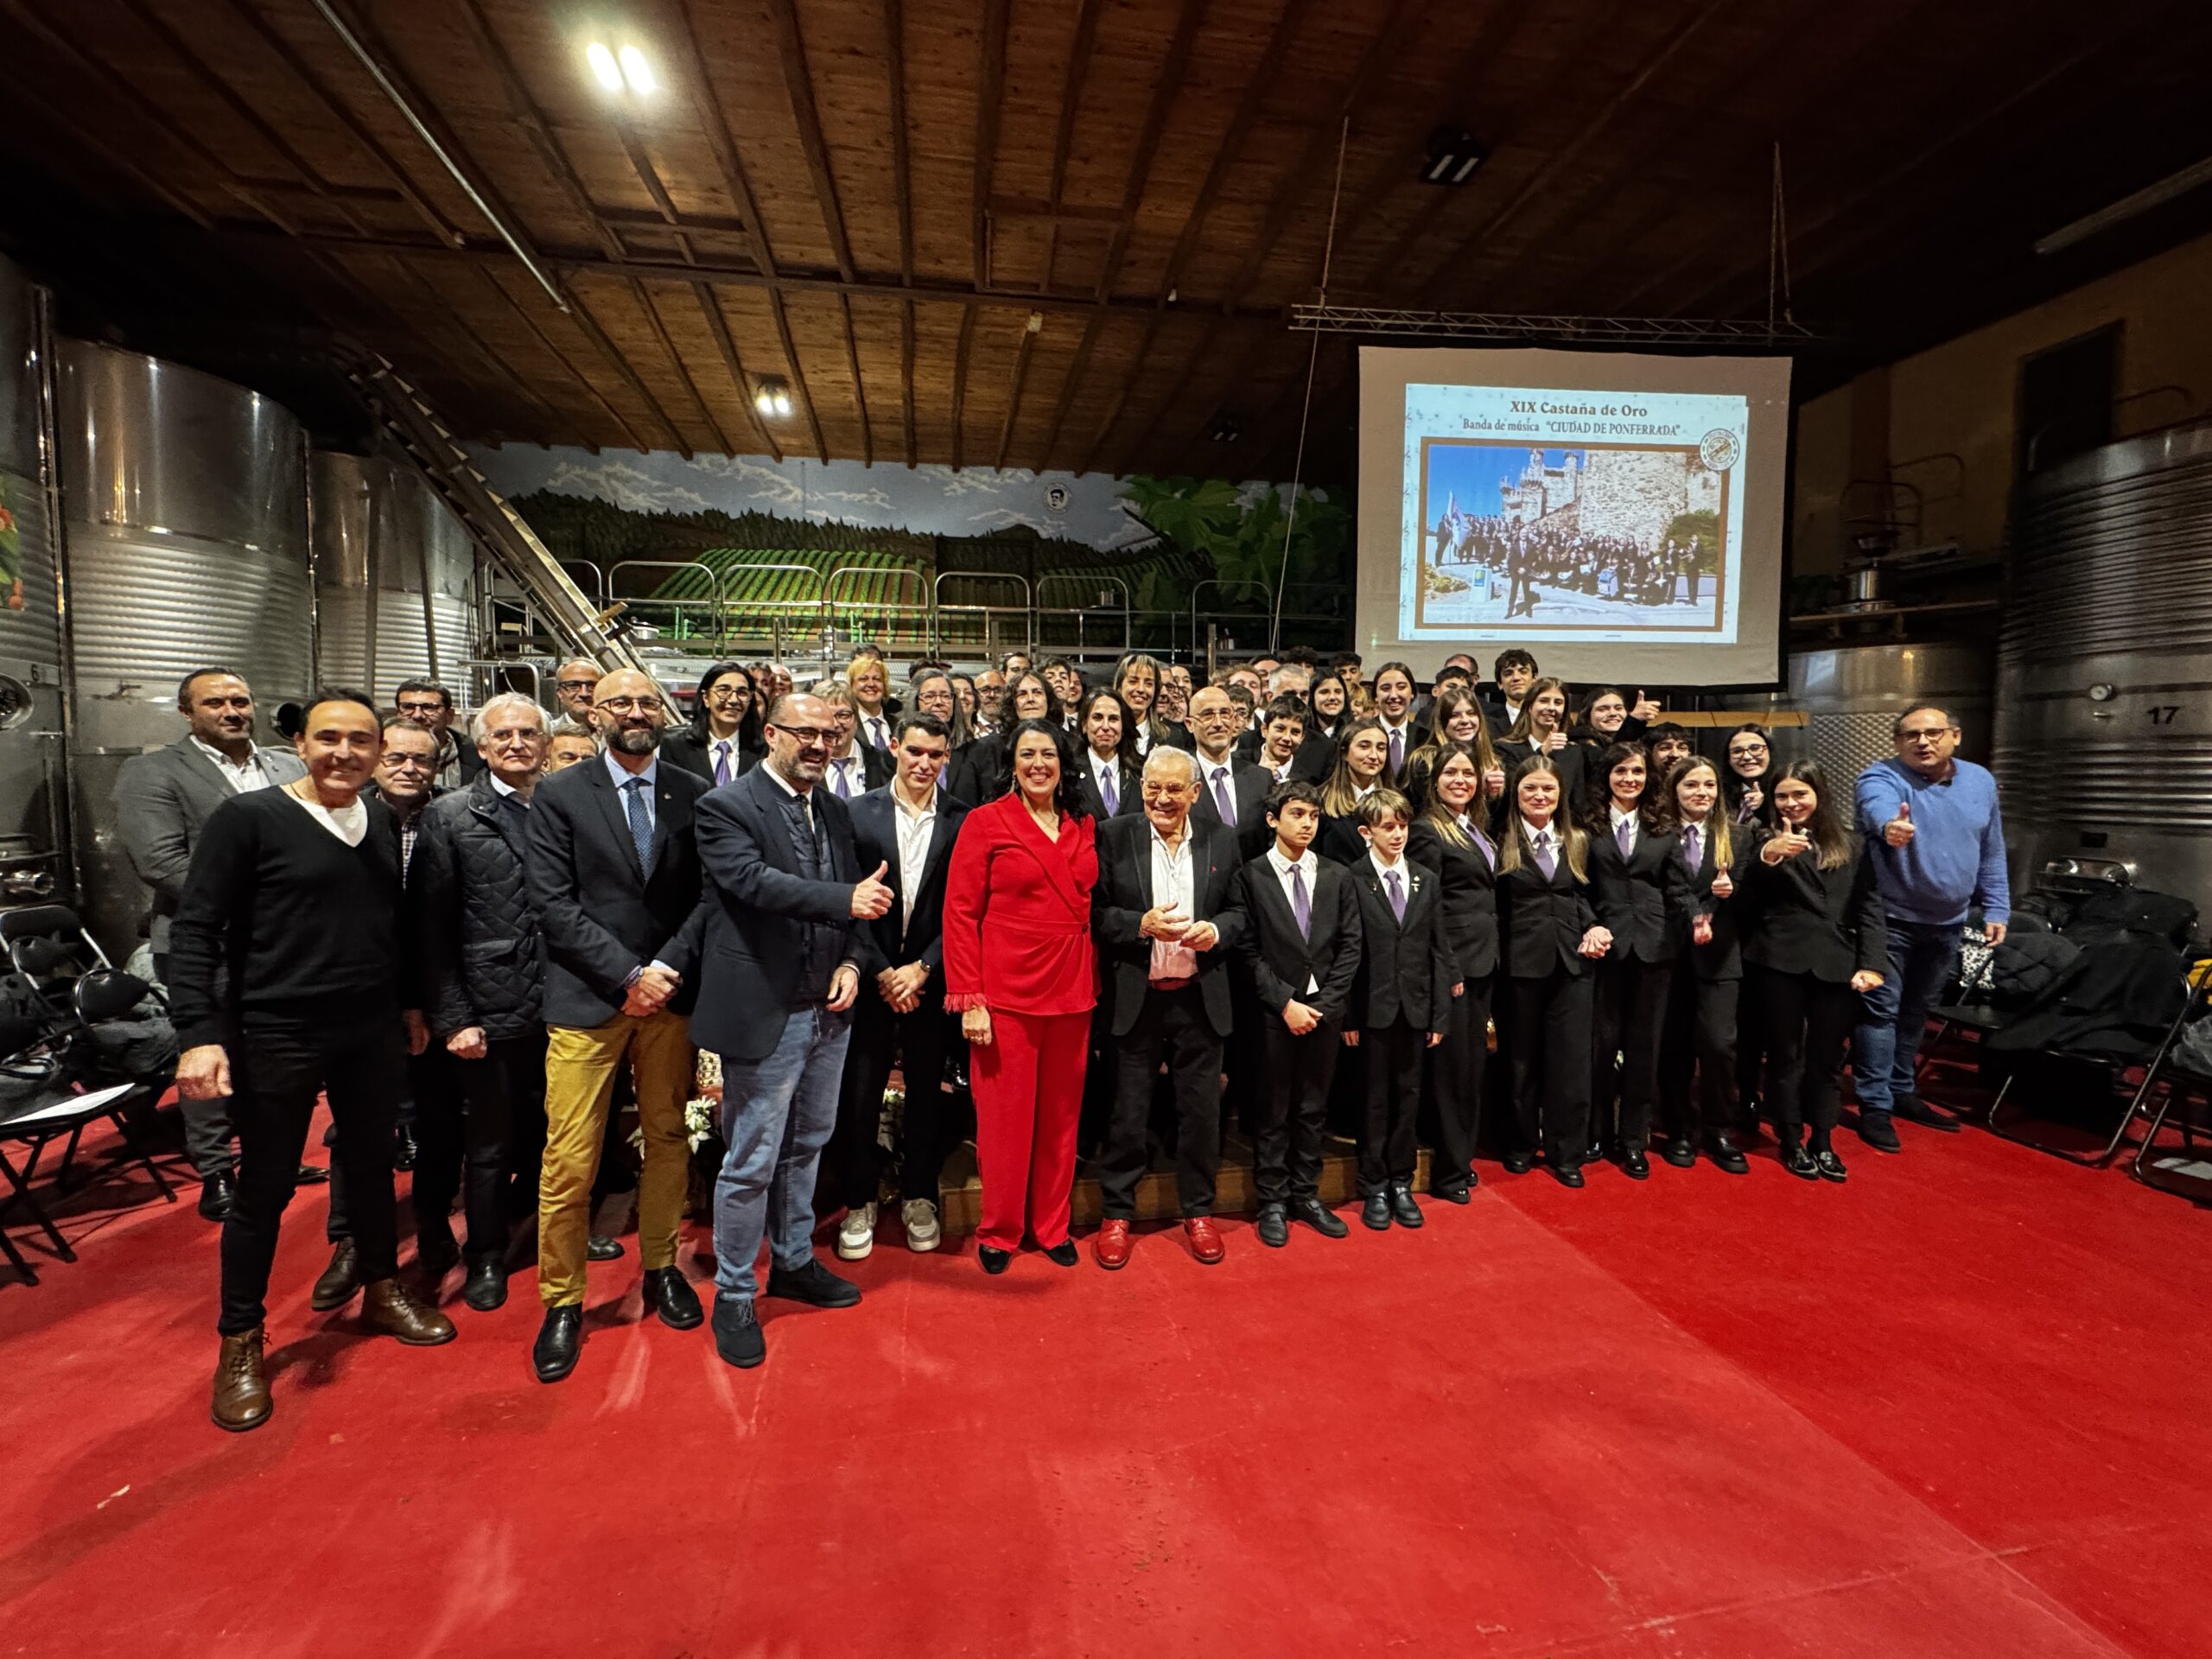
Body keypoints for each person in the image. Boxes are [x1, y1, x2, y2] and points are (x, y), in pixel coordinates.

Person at [170, 689, 454, 1433]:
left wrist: (410, 1005)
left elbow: (384, 928)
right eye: (330, 738)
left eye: (361, 742)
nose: (345, 754)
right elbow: (196, 930)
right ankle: (240, 1342)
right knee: (261, 1191)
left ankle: (382, 1288)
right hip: (277, 1031)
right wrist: (199, 1033)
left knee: (369, 1169)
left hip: (367, 1030)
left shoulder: (379, 823)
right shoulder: (249, 820)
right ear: (300, 744)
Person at [523, 667, 710, 1384]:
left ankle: (662, 1267)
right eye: (620, 702)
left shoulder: (692, 794)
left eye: (644, 701)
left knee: (666, 1139)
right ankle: (563, 1300)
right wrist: (628, 976)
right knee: (569, 1157)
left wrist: (663, 971)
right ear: (596, 713)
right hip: (588, 1002)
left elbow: (705, 898)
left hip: (669, 1001)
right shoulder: (561, 795)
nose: (635, 711)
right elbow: (551, 903)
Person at [690, 692, 884, 1369]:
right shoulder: (726, 807)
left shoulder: (832, 807)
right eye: (804, 733)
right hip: (766, 1011)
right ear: (770, 733)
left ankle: (795, 1260)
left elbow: (860, 901)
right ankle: (736, 1293)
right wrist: (846, 901)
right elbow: (752, 883)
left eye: (829, 734)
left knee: (808, 1145)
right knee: (750, 1160)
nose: (818, 744)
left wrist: (858, 963)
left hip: (830, 1009)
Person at [113, 665, 309, 1221]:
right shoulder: (152, 772)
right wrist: (264, 900)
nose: (232, 711)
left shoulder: (287, 764)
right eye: (215, 703)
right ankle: (217, 1171)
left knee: (270, 1058)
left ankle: (273, 1156)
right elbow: (161, 862)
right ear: (187, 712)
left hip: (281, 946)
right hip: (203, 944)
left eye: (241, 700)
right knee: (208, 1057)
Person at [941, 718, 1098, 1275]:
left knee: (1060, 1120)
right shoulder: (986, 822)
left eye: (1049, 754)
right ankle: (1000, 1229)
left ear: (1063, 763)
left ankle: (1051, 1224)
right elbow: (959, 914)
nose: (1039, 764)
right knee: (1005, 1121)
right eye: (1028, 753)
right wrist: (969, 997)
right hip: (1005, 992)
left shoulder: (1083, 822)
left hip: (1073, 988)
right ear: (1012, 762)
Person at [410, 692, 551, 1311]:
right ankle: (486, 1255)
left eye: (528, 734)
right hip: (488, 1008)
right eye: (503, 736)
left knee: (556, 1134)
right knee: (489, 1147)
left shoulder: (564, 804)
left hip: (562, 1003)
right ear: (482, 747)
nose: (516, 744)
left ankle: (555, 1233)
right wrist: (454, 1018)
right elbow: (430, 926)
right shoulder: (451, 815)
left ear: (546, 744)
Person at [1090, 748, 1246, 1268]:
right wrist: (1140, 925)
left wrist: (1218, 931)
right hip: (1136, 996)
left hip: (1200, 998)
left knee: (1201, 1114)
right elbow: (1094, 913)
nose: (1162, 798)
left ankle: (1198, 1211)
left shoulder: (1222, 838)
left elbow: (1241, 912)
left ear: (1195, 793)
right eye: (1153, 787)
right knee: (1126, 1113)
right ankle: (1117, 1214)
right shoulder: (1114, 834)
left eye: (1174, 789)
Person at [311, 716, 447, 1299]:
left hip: (435, 991)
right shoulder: (343, 819)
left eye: (422, 760)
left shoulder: (451, 816)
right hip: (364, 999)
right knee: (359, 1129)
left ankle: (435, 1231)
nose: (409, 769)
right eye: (397, 758)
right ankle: (352, 1243)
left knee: (437, 1119)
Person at [835, 713, 971, 1258]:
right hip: (871, 978)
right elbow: (844, 897)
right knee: (861, 1096)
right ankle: (859, 1200)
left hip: (930, 980)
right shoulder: (855, 813)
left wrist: (925, 968)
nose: (924, 764)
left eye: (936, 755)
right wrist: (880, 969)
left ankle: (919, 1194)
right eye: (915, 751)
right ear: (894, 747)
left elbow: (965, 909)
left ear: (947, 757)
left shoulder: (964, 820)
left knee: (925, 1097)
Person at [1850, 704, 2010, 1152]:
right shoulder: (1880, 777)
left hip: (1949, 922)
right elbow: (1879, 809)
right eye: (1910, 735)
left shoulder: (1980, 781)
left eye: (1933, 732)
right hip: (1889, 920)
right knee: (1880, 1013)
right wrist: (1891, 827)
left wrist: (1997, 906)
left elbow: (1991, 848)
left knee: (1916, 1012)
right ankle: (1875, 1106)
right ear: (1897, 743)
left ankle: (1902, 1090)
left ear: (1955, 736)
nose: (1923, 741)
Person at [1743, 760, 1887, 1181]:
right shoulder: (1761, 840)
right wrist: (1767, 857)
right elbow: (1744, 894)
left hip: (1837, 963)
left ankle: (1822, 1138)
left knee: (1827, 1060)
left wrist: (1872, 962)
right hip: (1778, 960)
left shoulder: (1853, 844)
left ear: (1819, 795)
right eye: (1782, 796)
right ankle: (1789, 1138)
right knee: (1785, 1056)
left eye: (1799, 794)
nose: (1791, 804)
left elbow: (1870, 907)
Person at [1236, 781, 1359, 1247]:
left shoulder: (1337, 874)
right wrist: (1286, 1002)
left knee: (1312, 1108)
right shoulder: (1251, 875)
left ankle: (1305, 1195)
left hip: (1323, 1012)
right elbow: (1247, 951)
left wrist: (1325, 1006)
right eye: (1296, 814)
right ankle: (1271, 1199)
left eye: (1313, 815)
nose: (1307, 823)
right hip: (1274, 1012)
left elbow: (1351, 946)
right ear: (1273, 820)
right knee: (1273, 1109)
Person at [1495, 756, 1611, 1185]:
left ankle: (1567, 1151)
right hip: (1519, 963)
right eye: (1530, 789)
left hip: (1573, 963)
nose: (1539, 796)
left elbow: (1581, 896)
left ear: (1560, 795)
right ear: (1516, 794)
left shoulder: (1576, 839)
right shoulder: (1499, 840)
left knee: (1571, 1062)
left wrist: (1596, 926)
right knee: (1520, 1059)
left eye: (1547, 789)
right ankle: (1521, 1143)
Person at [1344, 790, 1455, 1229]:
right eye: (1387, 827)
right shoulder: (1352, 877)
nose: (1397, 834)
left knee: (1408, 1097)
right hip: (1371, 1009)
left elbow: (1437, 948)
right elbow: (1348, 952)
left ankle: (1401, 1181)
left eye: (1402, 826)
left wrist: (1439, 1013)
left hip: (1415, 1008)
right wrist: (1348, 1015)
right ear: (1366, 832)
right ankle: (1372, 1183)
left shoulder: (1424, 879)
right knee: (1373, 1099)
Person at [1582, 742, 1688, 1178]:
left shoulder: (1664, 826)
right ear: (1606, 775)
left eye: (1638, 772)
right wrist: (1590, 923)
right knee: (1600, 1046)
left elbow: (1675, 886)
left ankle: (1633, 1140)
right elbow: (1577, 885)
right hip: (1603, 945)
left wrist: (1698, 915)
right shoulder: (1584, 825)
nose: (1630, 779)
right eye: (1621, 771)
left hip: (1654, 945)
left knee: (1644, 1048)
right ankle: (1596, 1132)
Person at [1408, 743, 1500, 1202]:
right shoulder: (1428, 831)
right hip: (1456, 963)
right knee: (1451, 1071)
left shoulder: (1475, 828)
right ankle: (1447, 1169)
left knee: (1470, 1067)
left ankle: (1461, 1159)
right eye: (1452, 773)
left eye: (1468, 773)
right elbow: (1428, 907)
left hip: (1485, 959)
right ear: (1435, 782)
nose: (1462, 780)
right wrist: (1447, 965)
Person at [1651, 758, 1751, 1173]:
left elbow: (1752, 896)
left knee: (1718, 1044)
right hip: (1669, 951)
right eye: (1691, 784)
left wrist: (1731, 893)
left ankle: (1718, 1127)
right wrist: (1695, 912)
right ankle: (1676, 1127)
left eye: (1709, 784)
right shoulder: (1658, 834)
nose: (1702, 792)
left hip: (1720, 955)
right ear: (1674, 788)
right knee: (1672, 1045)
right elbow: (1660, 888)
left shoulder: (1740, 836)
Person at [1185, 683, 1271, 854]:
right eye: (1207, 715)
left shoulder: (1261, 779)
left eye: (1225, 714)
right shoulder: (1181, 780)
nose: (1218, 723)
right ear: (1190, 724)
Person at [949, 669, 1052, 802]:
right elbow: (965, 804)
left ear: (1048, 700)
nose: (1030, 699)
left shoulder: (1068, 744)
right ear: (1011, 702)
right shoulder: (982, 749)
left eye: (1037, 692)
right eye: (1022, 694)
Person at [1402, 687, 1505, 814]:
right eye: (1455, 716)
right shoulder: (1425, 761)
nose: (1465, 721)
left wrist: (1493, 793)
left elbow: (1495, 820)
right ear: (1442, 722)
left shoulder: (1492, 762)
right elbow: (1426, 808)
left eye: (1471, 713)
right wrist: (1479, 789)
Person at [662, 660, 764, 786]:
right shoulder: (675, 746)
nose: (733, 700)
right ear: (705, 698)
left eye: (742, 693)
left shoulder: (764, 749)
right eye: (724, 691)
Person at [1496, 677, 1588, 810]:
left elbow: (1576, 802)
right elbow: (1512, 793)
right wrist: (1543, 752)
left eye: (1558, 702)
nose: (1551, 708)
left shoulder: (1573, 752)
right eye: (1544, 701)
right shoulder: (1505, 748)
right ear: (1529, 706)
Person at [1316, 715, 1391, 864]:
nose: (1374, 755)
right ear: (1344, 753)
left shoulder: (1398, 800)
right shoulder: (1320, 800)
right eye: (1364, 746)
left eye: (1381, 748)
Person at [394, 677, 483, 787]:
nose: (417, 715)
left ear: (449, 715)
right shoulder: (379, 754)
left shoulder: (479, 757)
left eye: (429, 707)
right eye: (408, 707)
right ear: (397, 713)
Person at [816, 679, 895, 801]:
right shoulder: (805, 764)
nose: (836, 724)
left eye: (843, 715)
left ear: (856, 718)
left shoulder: (882, 763)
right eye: (827, 716)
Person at [1075, 688, 1141, 821]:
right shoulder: (1069, 772)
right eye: (1097, 718)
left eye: (1113, 719)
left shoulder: (1140, 772)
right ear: (1084, 725)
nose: (1105, 726)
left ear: (1123, 728)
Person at [1110, 652, 1187, 756]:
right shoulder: (1108, 732)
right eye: (1133, 681)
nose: (1141, 689)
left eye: (1148, 683)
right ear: (1119, 687)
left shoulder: (1172, 736)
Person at [1370, 662, 1420, 783]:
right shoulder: (1361, 733)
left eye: (1401, 687)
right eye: (1385, 688)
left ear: (1412, 693)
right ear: (1376, 696)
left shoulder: (1424, 736)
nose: (1393, 695)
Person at [1722, 723, 1776, 826]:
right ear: (1728, 759)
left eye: (1755, 748)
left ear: (1769, 752)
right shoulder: (1719, 793)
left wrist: (1763, 807)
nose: (1747, 757)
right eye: (1737, 751)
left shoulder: (1783, 788)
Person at [848, 652, 895, 752]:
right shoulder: (847, 726)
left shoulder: (899, 725)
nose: (871, 684)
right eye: (863, 679)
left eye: (877, 679)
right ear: (852, 685)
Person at [1482, 649, 1538, 731]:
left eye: (1523, 672)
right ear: (1500, 683)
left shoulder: (1547, 717)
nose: (1516, 678)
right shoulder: (1486, 722)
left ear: (1534, 678)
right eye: (1508, 673)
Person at [551, 658, 601, 726]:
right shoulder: (547, 734)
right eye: (573, 686)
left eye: (591, 686)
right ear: (560, 692)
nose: (584, 693)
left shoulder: (615, 732)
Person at [1308, 671, 1351, 748]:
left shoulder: (1353, 735)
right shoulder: (1302, 735)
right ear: (1311, 697)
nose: (1332, 697)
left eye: (1338, 692)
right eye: (1324, 692)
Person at [973, 667, 1007, 734]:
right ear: (974, 694)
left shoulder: (1013, 728)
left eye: (998, 690)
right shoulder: (967, 727)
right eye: (985, 690)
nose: (992, 695)